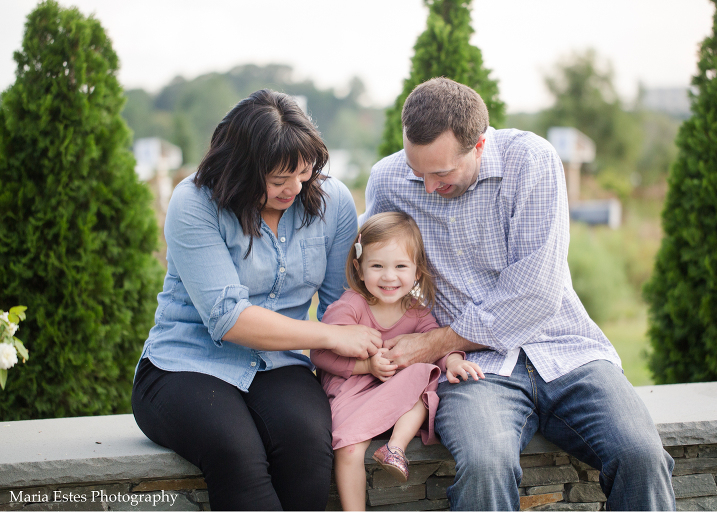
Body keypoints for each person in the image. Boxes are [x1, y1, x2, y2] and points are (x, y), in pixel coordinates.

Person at [360, 77, 676, 511]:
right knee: (485, 466)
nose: (427, 187)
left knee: (642, 456)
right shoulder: (388, 180)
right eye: (418, 173)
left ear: (479, 146)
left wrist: (432, 342)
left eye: (441, 173)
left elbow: (535, 294)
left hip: (565, 350)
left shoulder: (532, 161)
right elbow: (369, 273)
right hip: (473, 371)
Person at [131, 90, 383, 511]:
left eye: (303, 173)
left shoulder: (333, 200)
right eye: (278, 179)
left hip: (280, 365)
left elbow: (342, 307)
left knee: (307, 448)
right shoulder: (194, 202)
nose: (294, 188)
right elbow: (228, 319)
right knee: (236, 454)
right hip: (186, 363)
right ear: (239, 167)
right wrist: (330, 336)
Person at [310, 212, 483, 511]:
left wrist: (452, 360)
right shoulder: (351, 306)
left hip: (391, 389)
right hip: (351, 390)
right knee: (350, 448)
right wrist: (366, 366)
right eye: (377, 266)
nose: (389, 277)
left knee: (425, 376)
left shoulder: (416, 311)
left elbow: (435, 343)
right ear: (359, 268)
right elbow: (320, 354)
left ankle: (395, 447)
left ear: (417, 272)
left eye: (400, 266)